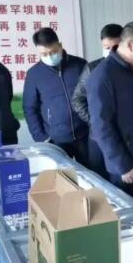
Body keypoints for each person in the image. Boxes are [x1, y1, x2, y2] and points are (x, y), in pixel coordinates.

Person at [88, 22, 133, 203]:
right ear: (131, 45)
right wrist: (122, 164)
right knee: (130, 213)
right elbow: (101, 126)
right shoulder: (103, 76)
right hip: (126, 165)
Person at [23, 28, 88, 164]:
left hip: (85, 135)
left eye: (53, 52)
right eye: (44, 54)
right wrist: (41, 137)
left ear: (60, 45)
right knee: (59, 175)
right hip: (56, 140)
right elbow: (30, 108)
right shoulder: (34, 74)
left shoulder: (80, 65)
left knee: (91, 172)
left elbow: (91, 97)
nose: (49, 56)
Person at [71, 23, 123, 179]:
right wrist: (95, 121)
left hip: (123, 138)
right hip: (98, 138)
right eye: (107, 47)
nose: (111, 51)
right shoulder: (92, 69)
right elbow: (78, 99)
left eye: (115, 47)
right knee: (99, 181)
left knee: (122, 183)